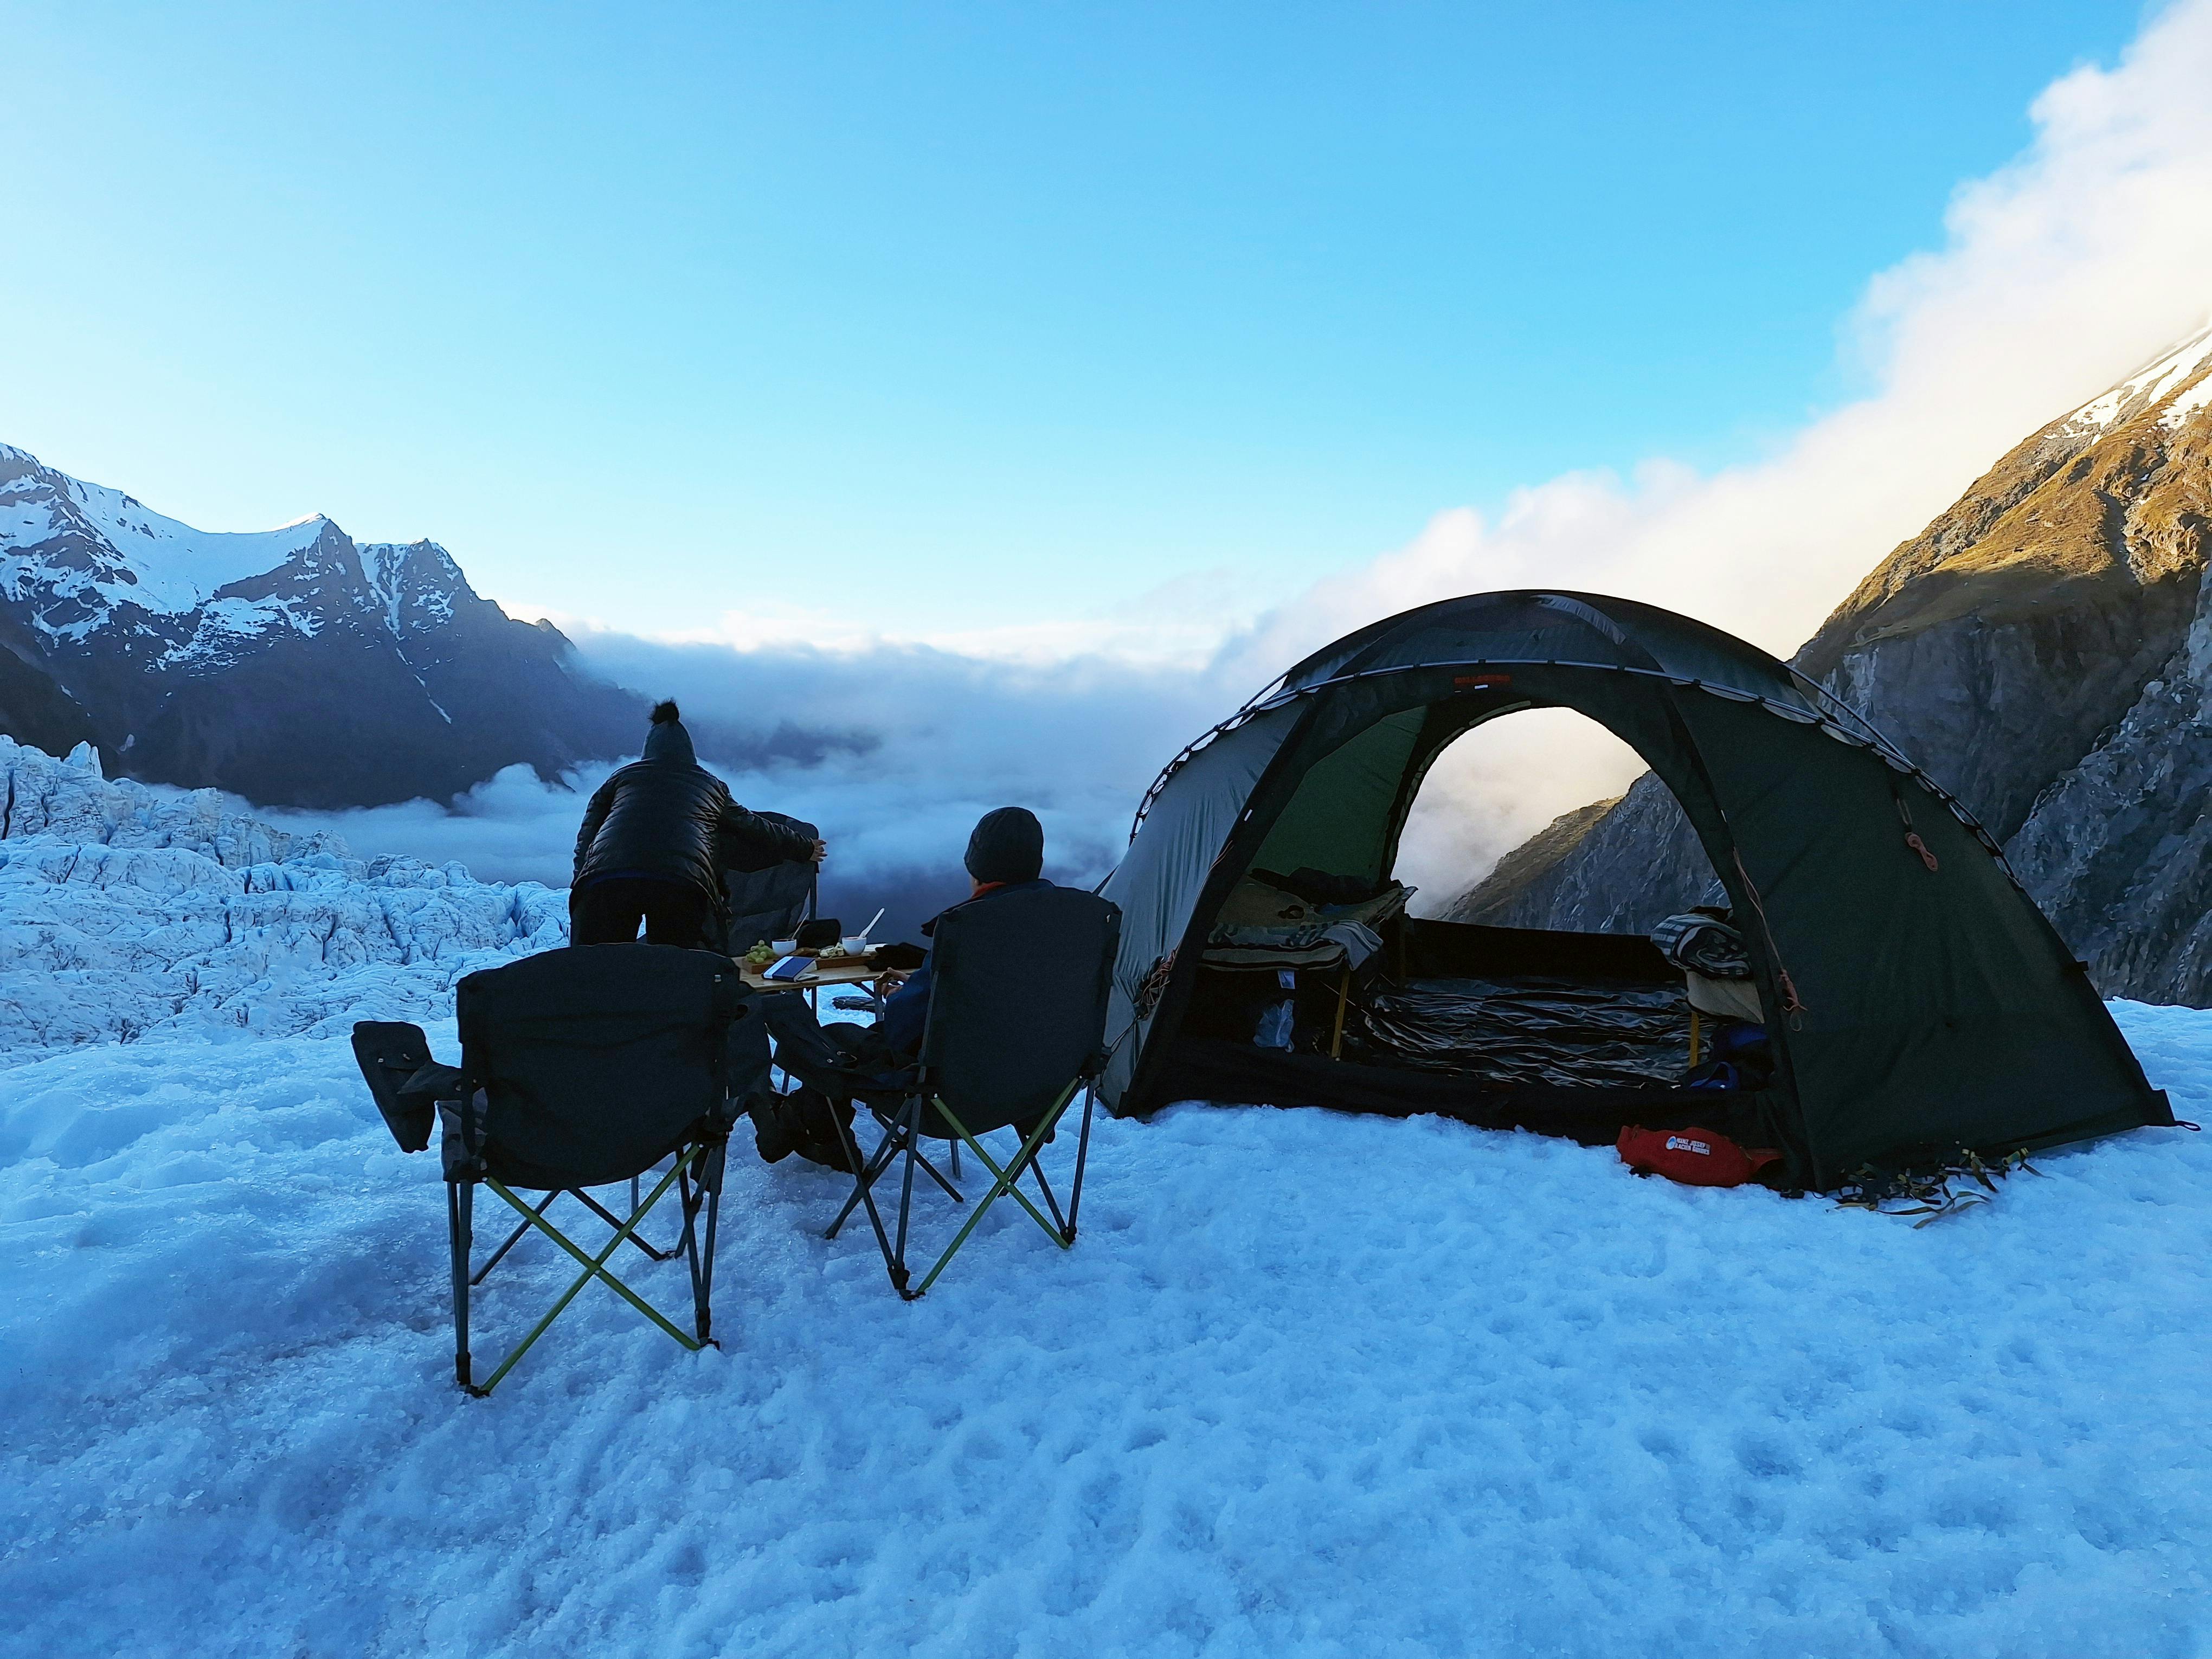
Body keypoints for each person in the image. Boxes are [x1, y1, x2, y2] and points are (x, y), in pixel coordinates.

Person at [751, 806, 1052, 1168]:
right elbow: (1000, 1003)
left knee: (831, 1043)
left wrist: (903, 997)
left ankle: (795, 1126)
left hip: (945, 1098)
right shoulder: (1075, 929)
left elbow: (902, 1030)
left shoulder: (971, 930)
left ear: (976, 868)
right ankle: (814, 1132)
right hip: (1034, 1092)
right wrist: (930, 987)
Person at [570, 700, 826, 949]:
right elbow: (753, 826)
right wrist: (803, 847)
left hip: (607, 879)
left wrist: (579, 880)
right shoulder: (710, 786)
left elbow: (588, 834)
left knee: (598, 969)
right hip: (680, 882)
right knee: (675, 970)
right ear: (689, 753)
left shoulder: (620, 779)